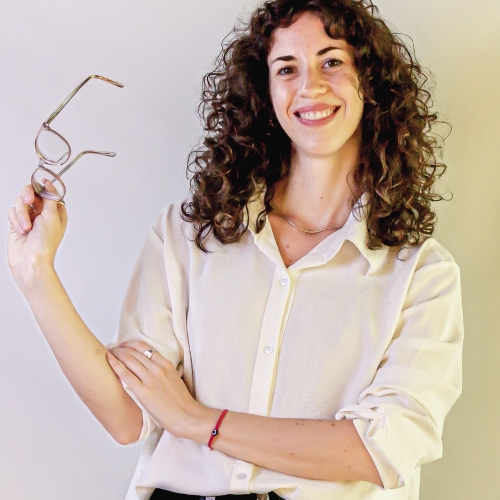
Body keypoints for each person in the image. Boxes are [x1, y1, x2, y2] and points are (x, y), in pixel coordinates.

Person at [7, 0, 463, 499]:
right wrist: (36, 275)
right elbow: (127, 416)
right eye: (286, 68)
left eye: (332, 61)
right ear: (264, 92)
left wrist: (197, 420)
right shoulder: (188, 234)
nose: (310, 86)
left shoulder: (421, 274)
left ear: (369, 81)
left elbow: (380, 450)